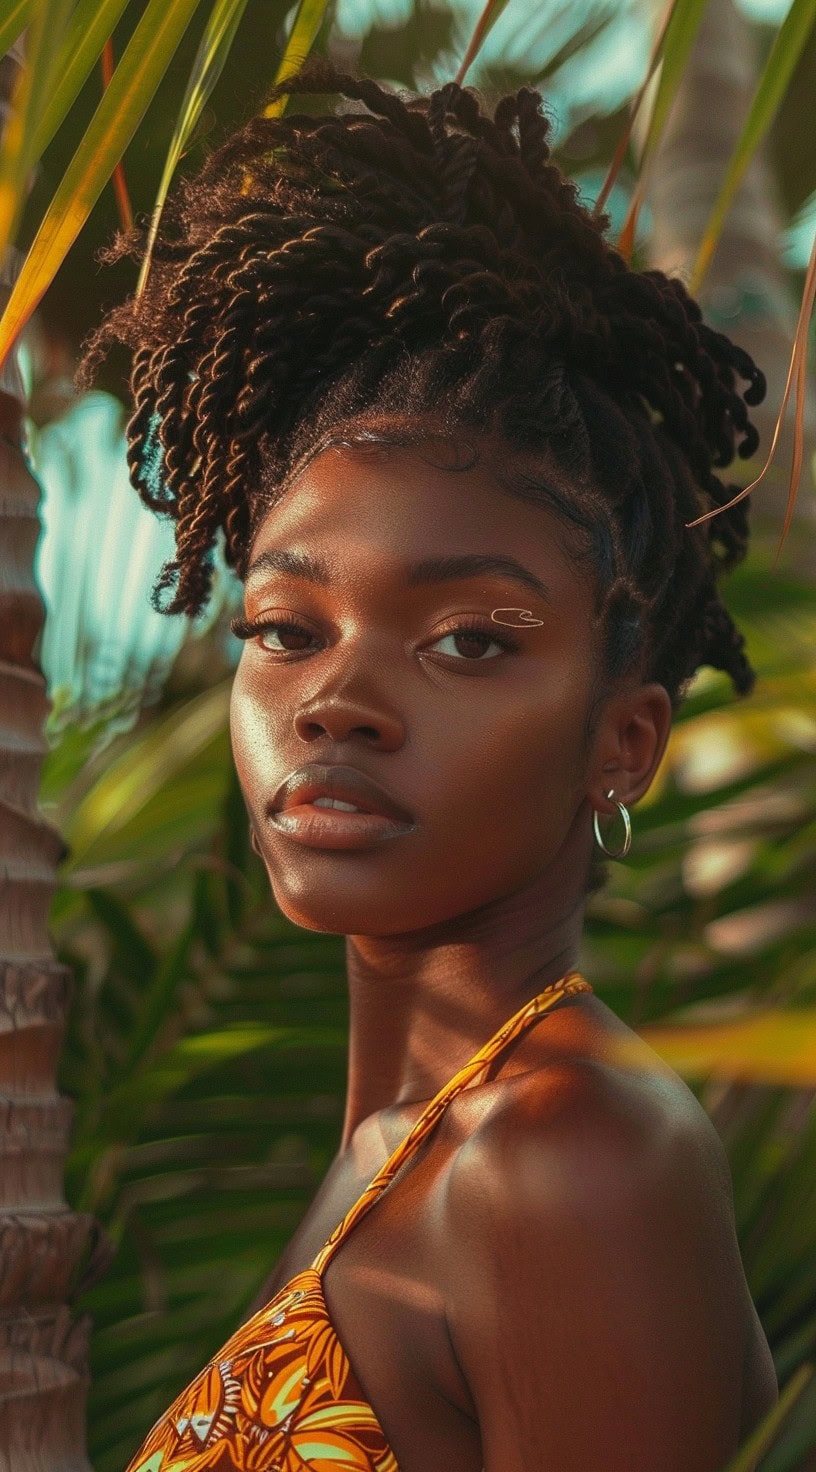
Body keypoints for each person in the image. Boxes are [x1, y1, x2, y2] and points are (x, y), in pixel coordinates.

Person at [77, 56, 779, 1472]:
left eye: (467, 641)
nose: (338, 700)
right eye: (285, 628)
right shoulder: (407, 1146)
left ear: (621, 742)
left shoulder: (565, 1157)